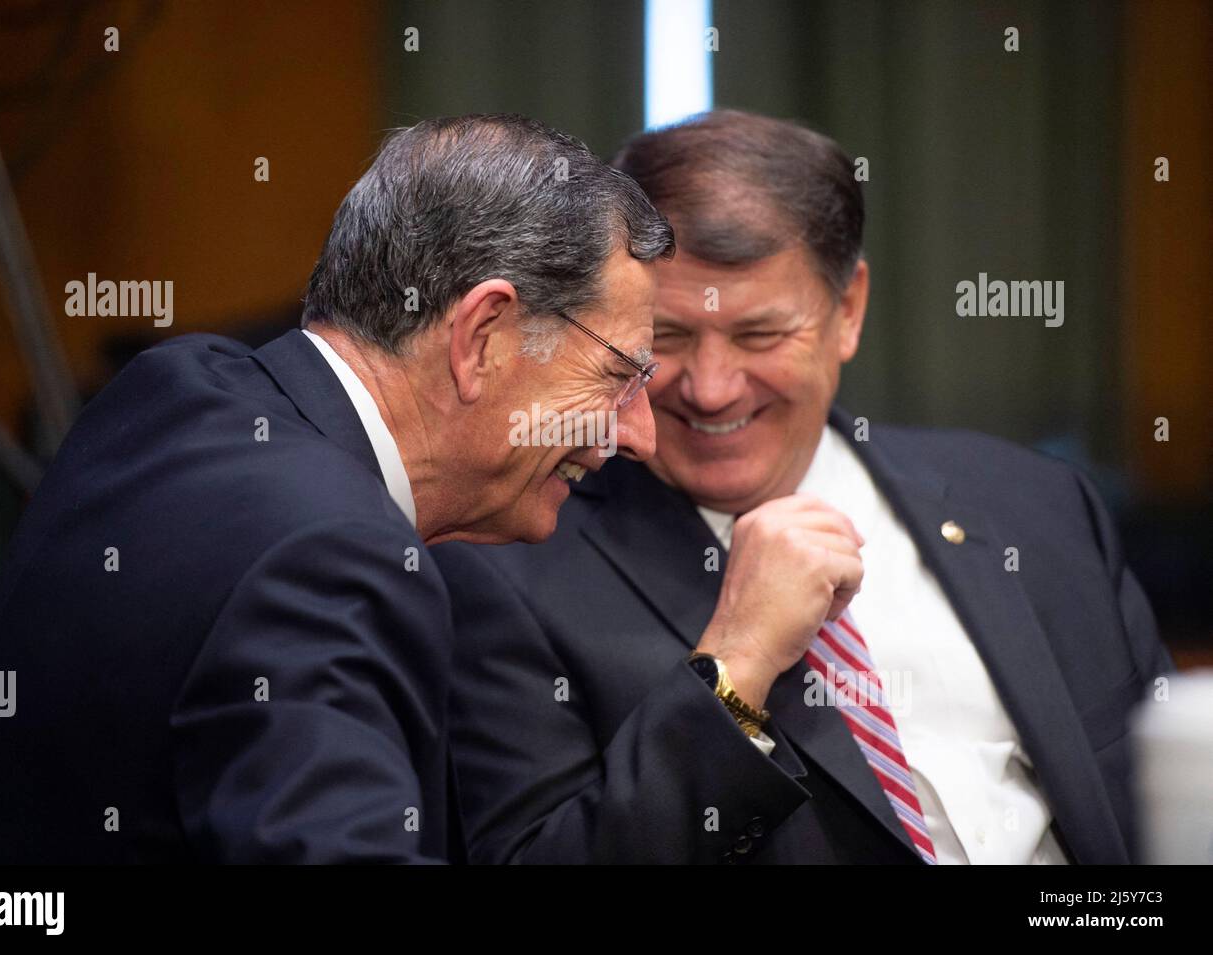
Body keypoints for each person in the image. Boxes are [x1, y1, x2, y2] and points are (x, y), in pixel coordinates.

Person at [0, 113, 672, 863]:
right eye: (617, 376)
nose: (640, 434)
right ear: (483, 337)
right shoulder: (330, 559)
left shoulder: (178, 386)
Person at [434, 109, 1172, 864]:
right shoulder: (508, 571)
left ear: (847, 310)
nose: (713, 389)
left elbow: (1172, 793)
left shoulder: (1036, 506)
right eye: (670, 340)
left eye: (759, 336)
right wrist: (733, 665)